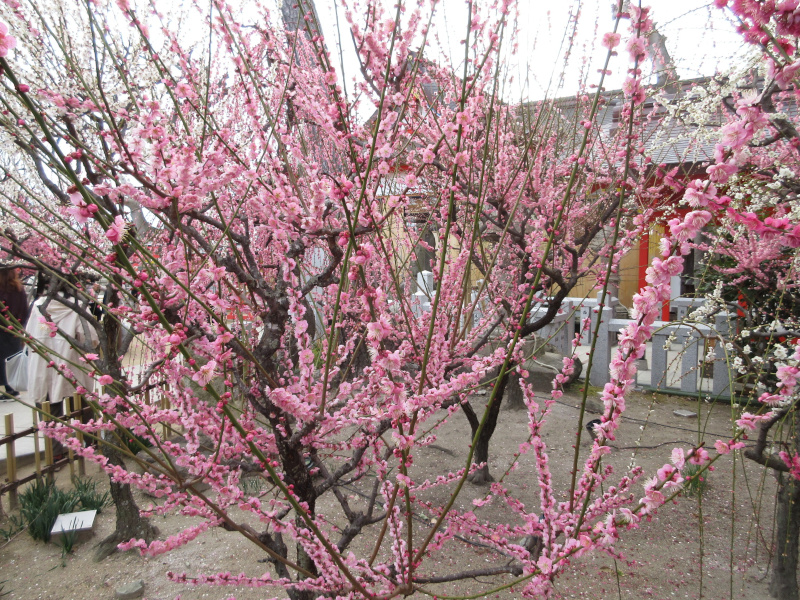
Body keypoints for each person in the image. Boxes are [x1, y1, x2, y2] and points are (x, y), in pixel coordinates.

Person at [0, 265, 29, 397]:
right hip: (15, 327)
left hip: (3, 328)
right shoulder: (19, 288)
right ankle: (13, 387)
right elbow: (24, 309)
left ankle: (8, 388)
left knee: (3, 359)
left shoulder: (2, 290)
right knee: (12, 359)